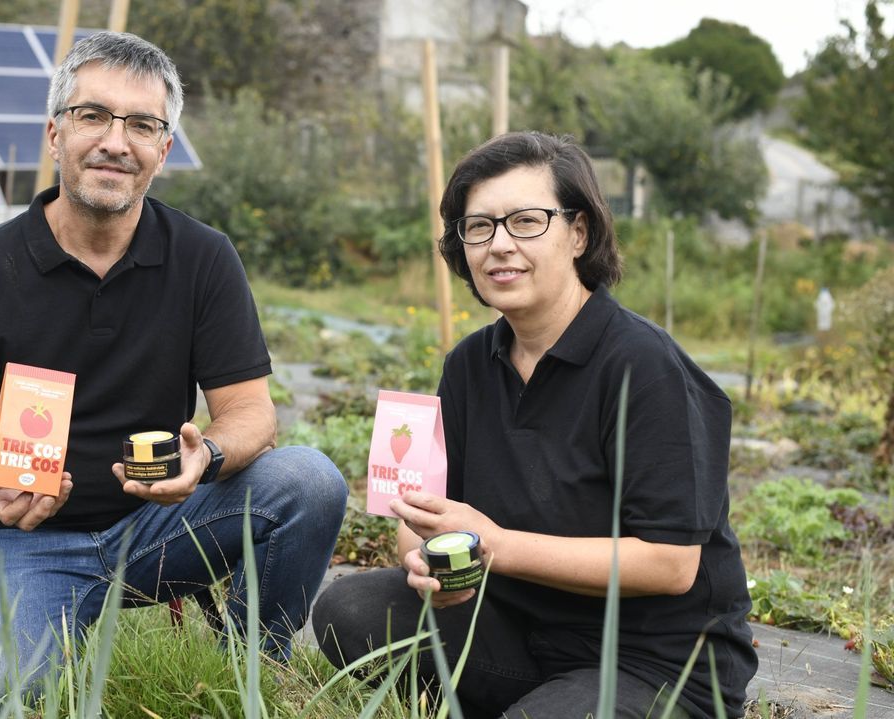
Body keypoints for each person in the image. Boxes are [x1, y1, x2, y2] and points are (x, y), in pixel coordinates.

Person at [0, 31, 347, 708]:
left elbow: (252, 412)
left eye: (142, 124)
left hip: (161, 526)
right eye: (94, 116)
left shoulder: (202, 258)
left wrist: (208, 457)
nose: (117, 141)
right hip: (23, 537)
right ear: (55, 133)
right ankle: (31, 622)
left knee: (310, 481)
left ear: (163, 150)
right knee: (1, 694)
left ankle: (252, 665)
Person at [311, 132, 757, 718]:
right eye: (479, 227)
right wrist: (431, 561)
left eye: (525, 221)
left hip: (651, 661)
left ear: (579, 232)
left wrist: (495, 546)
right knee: (350, 608)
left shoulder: (645, 367)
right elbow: (427, 513)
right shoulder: (471, 364)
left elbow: (671, 565)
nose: (499, 245)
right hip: (521, 633)